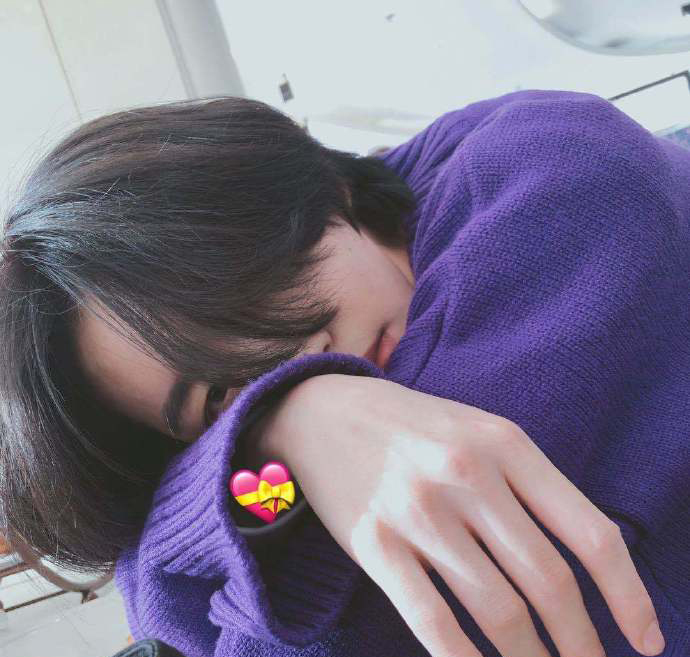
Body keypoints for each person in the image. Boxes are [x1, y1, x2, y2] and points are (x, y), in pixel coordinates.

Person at [0, 89, 687, 657]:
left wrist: (269, 438)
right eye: (215, 396)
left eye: (256, 290)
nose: (306, 354)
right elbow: (166, 591)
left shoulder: (555, 162)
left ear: (321, 189)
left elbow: (307, 627)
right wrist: (278, 427)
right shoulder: (269, 473)